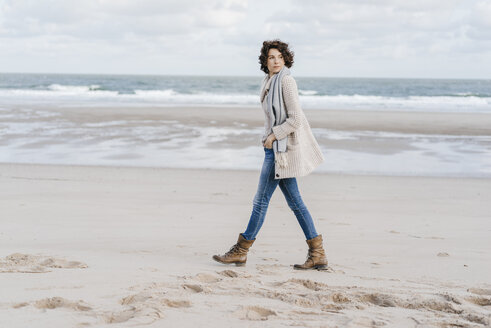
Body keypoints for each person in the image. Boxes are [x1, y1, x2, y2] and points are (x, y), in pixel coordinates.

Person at [212, 39, 327, 270]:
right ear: (265, 60)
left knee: (260, 202)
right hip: (274, 149)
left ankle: (241, 250)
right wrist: (266, 138)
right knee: (296, 203)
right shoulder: (269, 80)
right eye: (271, 57)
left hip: (281, 152)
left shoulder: (286, 81)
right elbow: (271, 117)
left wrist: (273, 136)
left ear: (285, 59)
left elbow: (294, 119)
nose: (275, 61)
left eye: (279, 57)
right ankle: (318, 253)